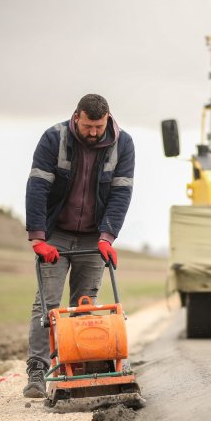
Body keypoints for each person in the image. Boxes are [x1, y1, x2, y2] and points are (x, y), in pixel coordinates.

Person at [23, 94, 135, 398]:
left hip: (93, 236)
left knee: (86, 302)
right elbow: (37, 187)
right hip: (56, 232)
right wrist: (38, 238)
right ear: (76, 118)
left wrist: (107, 237)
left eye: (99, 126)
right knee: (47, 303)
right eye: (88, 126)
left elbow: (121, 194)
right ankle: (37, 369)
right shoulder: (53, 139)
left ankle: (84, 368)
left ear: (108, 119)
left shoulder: (122, 144)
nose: (94, 132)